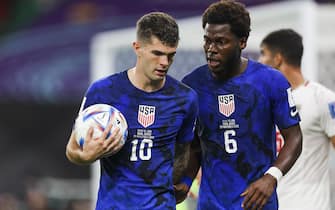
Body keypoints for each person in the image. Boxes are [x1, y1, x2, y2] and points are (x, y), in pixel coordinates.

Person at [174, 1, 303, 209]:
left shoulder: (271, 81)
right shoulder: (192, 85)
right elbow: (195, 145)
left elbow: (294, 136)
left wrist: (271, 177)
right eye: (207, 41)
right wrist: (186, 182)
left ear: (242, 42)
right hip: (211, 204)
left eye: (220, 42)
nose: (211, 49)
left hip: (258, 203)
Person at [65, 12, 198, 210]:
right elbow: (72, 148)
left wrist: (184, 182)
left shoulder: (185, 99)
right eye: (157, 53)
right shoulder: (104, 91)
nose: (165, 62)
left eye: (171, 55)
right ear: (137, 48)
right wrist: (84, 156)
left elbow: (186, 150)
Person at [259, 28, 335, 210]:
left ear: (278, 59)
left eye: (263, 54)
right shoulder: (262, 102)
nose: (260, 61)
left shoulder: (322, 99)